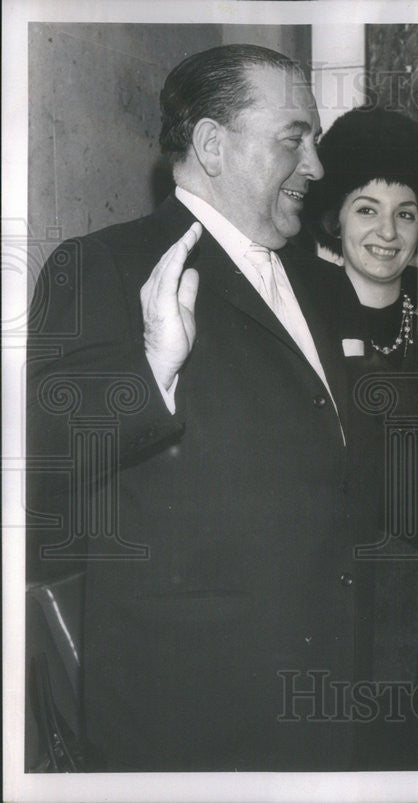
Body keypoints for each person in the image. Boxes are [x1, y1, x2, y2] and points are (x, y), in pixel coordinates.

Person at [27, 45, 375, 770]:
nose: (315, 165)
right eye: (293, 138)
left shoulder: (324, 285)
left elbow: (336, 465)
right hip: (192, 721)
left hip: (326, 699)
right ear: (214, 144)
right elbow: (45, 450)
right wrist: (153, 364)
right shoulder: (103, 266)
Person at [302, 105, 418, 769]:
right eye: (366, 209)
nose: (387, 231)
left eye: (405, 212)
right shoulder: (301, 308)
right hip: (322, 594)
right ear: (334, 215)